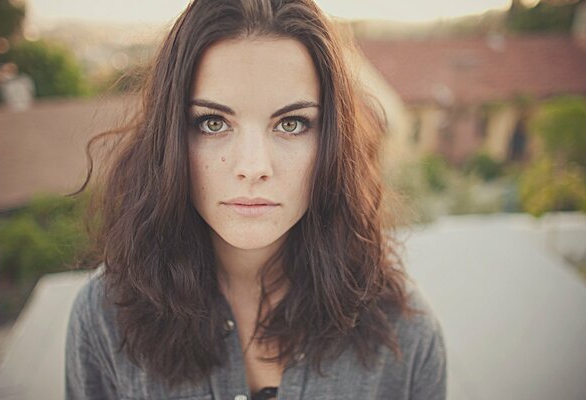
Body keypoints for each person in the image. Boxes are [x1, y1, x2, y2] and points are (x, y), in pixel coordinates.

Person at [65, 0, 447, 399]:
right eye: (213, 123)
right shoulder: (105, 318)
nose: (252, 167)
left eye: (291, 123)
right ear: (170, 138)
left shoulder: (406, 338)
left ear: (332, 143)